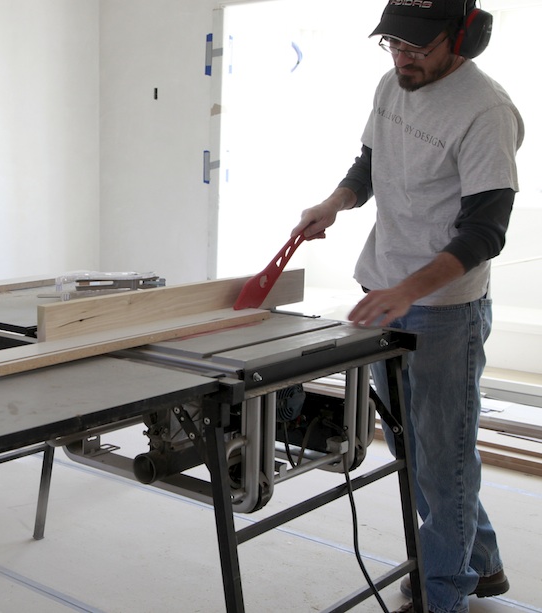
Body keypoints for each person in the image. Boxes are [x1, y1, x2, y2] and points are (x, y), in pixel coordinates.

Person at [291, 1, 524, 611]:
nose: (403, 58)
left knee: (443, 453)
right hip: (387, 296)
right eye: (393, 44)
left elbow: (484, 233)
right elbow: (372, 164)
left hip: (446, 310)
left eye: (418, 48)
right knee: (411, 448)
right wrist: (334, 203)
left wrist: (407, 292)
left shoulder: (486, 112)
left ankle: (442, 591)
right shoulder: (391, 84)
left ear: (464, 38)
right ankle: (484, 564)